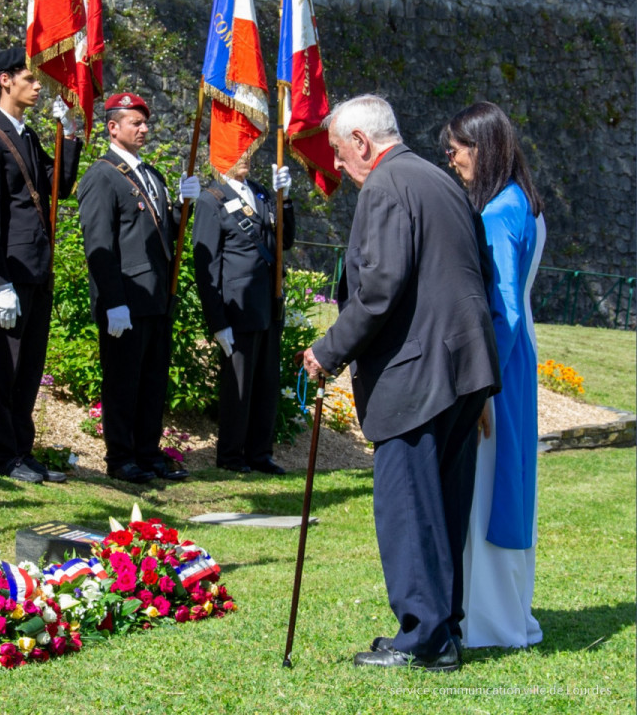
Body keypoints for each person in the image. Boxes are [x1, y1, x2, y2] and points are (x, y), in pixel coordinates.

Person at [301, 94, 499, 671]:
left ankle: (423, 638)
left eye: (339, 151)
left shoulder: (387, 185)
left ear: (362, 142)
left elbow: (380, 288)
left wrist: (327, 350)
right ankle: (444, 630)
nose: (336, 165)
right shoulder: (439, 181)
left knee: (409, 506)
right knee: (444, 505)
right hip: (462, 367)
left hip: (417, 373)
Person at [442, 102, 546, 649]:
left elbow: (501, 305)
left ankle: (490, 619)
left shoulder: (498, 212)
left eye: (457, 147)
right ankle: (503, 611)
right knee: (509, 484)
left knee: (490, 489)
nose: (452, 158)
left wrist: (484, 387)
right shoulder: (525, 203)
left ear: (481, 149)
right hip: (519, 356)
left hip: (500, 363)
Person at [0, 46, 82, 484]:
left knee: (30, 365)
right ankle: (0, 454)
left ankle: (21, 448)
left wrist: (68, 136)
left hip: (37, 266)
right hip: (11, 269)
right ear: (4, 80)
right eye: (30, 78)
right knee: (5, 366)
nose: (38, 86)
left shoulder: (29, 136)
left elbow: (61, 187)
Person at [77, 92, 200, 484]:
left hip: (155, 298)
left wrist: (183, 207)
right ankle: (121, 458)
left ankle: (148, 453)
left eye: (146, 123)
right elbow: (98, 245)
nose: (144, 129)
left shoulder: (151, 175)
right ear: (113, 127)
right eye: (135, 122)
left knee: (151, 383)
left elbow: (165, 234)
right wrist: (112, 301)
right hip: (126, 300)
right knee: (123, 382)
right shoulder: (102, 175)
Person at [192, 156, 295, 475]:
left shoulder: (262, 193)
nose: (247, 158)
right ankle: (232, 455)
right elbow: (205, 265)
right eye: (239, 152)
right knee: (238, 386)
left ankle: (260, 453)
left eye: (250, 151)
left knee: (266, 383)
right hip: (236, 307)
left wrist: (286, 200)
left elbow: (284, 242)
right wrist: (217, 321)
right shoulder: (212, 199)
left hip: (266, 303)